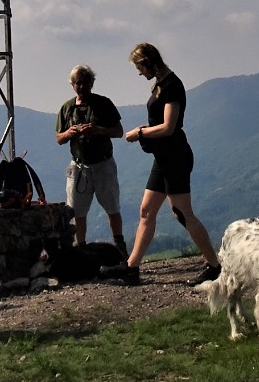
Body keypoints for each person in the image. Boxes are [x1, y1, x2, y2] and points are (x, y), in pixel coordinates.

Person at [100, 43, 221, 287]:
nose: (138, 72)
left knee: (182, 214)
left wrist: (140, 133)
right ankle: (132, 269)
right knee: (146, 211)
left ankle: (215, 266)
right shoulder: (159, 84)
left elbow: (169, 127)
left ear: (148, 62)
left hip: (175, 157)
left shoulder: (172, 86)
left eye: (138, 66)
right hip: (163, 158)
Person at [55, 64, 127, 253]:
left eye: (85, 82)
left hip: (103, 164)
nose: (82, 86)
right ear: (73, 85)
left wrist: (98, 130)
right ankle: (81, 249)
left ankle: (119, 247)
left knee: (112, 207)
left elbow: (119, 132)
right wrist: (69, 133)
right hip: (79, 166)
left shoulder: (104, 104)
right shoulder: (67, 108)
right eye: (78, 83)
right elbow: (59, 138)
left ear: (91, 83)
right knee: (78, 211)